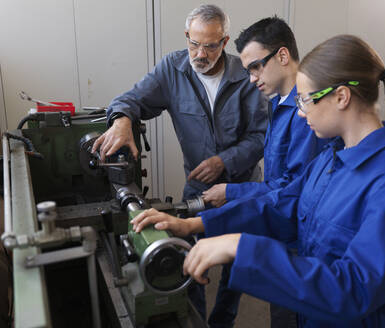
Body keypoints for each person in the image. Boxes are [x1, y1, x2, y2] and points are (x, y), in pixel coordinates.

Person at [130, 34, 385, 327]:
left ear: (342, 96)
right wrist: (196, 224)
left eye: (305, 101)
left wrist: (243, 248)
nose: (300, 114)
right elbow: (281, 205)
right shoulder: (331, 158)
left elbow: (354, 290)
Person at [91, 4, 268, 327]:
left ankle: (222, 320)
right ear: (186, 36)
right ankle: (197, 317)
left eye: (210, 45)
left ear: (224, 42)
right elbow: (131, 99)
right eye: (193, 43)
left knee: (237, 266)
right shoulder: (172, 69)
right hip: (198, 188)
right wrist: (120, 121)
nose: (200, 53)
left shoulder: (245, 76)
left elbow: (261, 136)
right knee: (187, 261)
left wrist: (223, 161)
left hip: (241, 188)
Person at [202, 17, 327, 328]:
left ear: (282, 56)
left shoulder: (305, 114)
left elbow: (290, 190)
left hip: (298, 243)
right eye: (248, 71)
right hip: (281, 234)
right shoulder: (278, 102)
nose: (252, 79)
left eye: (256, 67)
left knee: (289, 317)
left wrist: (230, 193)